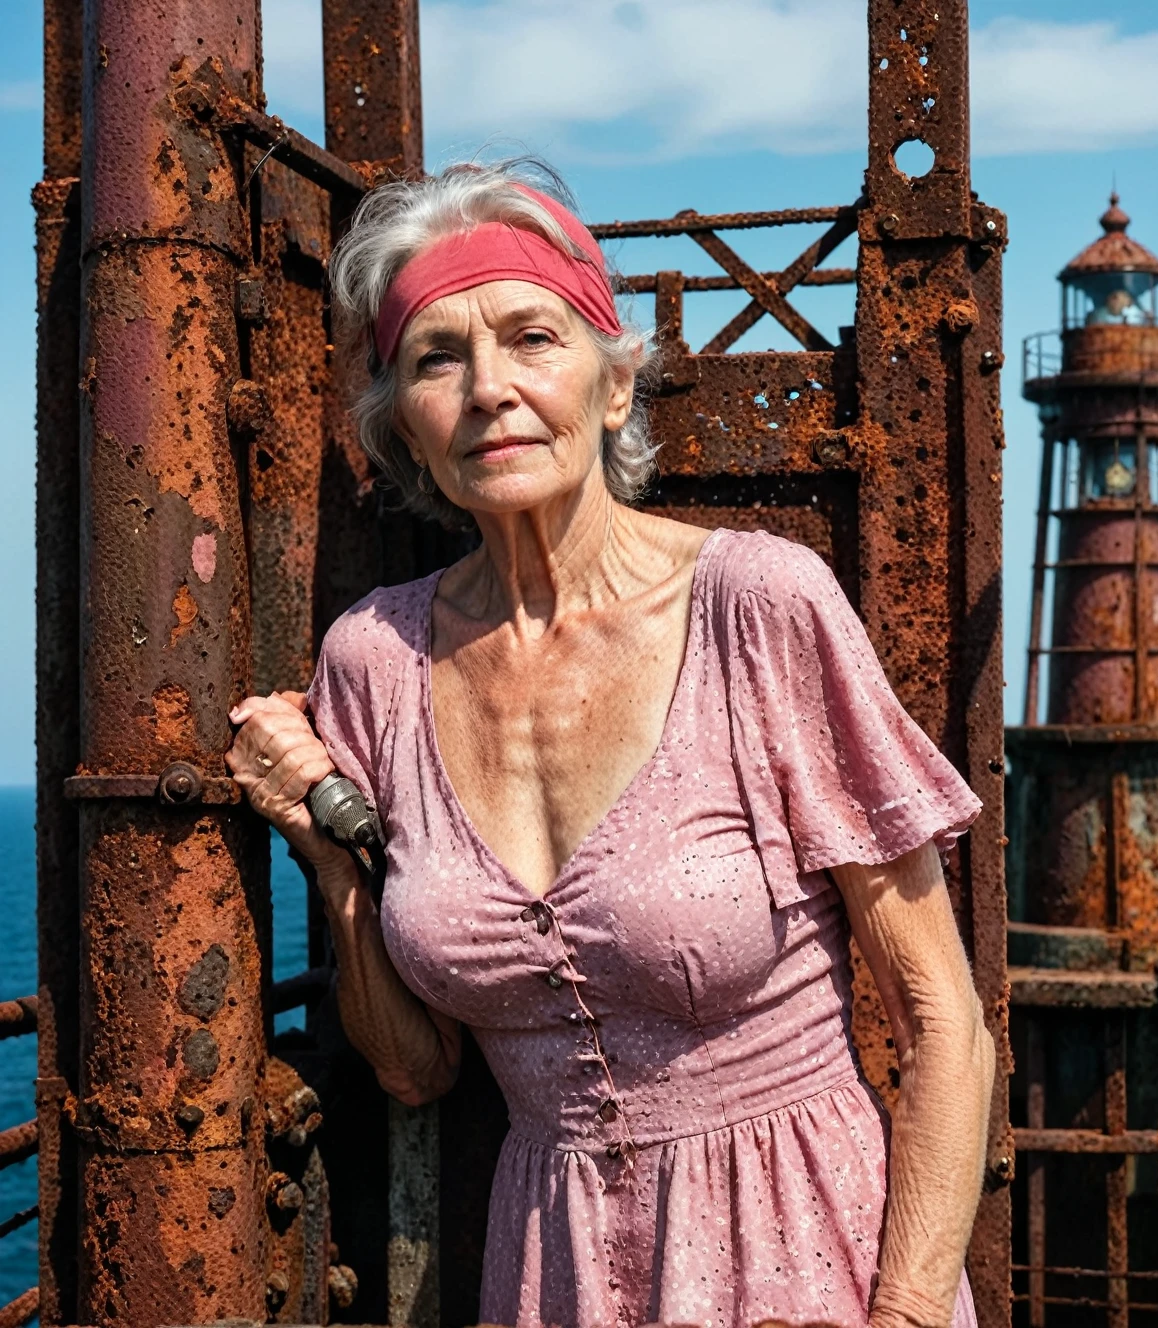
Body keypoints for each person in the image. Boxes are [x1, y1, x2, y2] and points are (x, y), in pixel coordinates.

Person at [227, 160, 995, 1328]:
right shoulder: (372, 661)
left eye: (531, 337)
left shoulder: (759, 607)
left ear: (613, 384)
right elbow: (417, 1069)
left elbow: (940, 1015)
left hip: (809, 1261)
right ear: (405, 432)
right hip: (553, 1274)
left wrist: (898, 1317)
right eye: (439, 357)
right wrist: (327, 855)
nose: (489, 388)